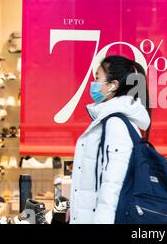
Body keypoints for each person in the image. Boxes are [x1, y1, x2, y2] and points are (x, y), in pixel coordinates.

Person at [68, 55, 151, 224]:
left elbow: (113, 184)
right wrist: (75, 208)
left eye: (98, 78)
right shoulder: (108, 120)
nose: (94, 83)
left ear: (113, 85)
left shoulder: (116, 124)